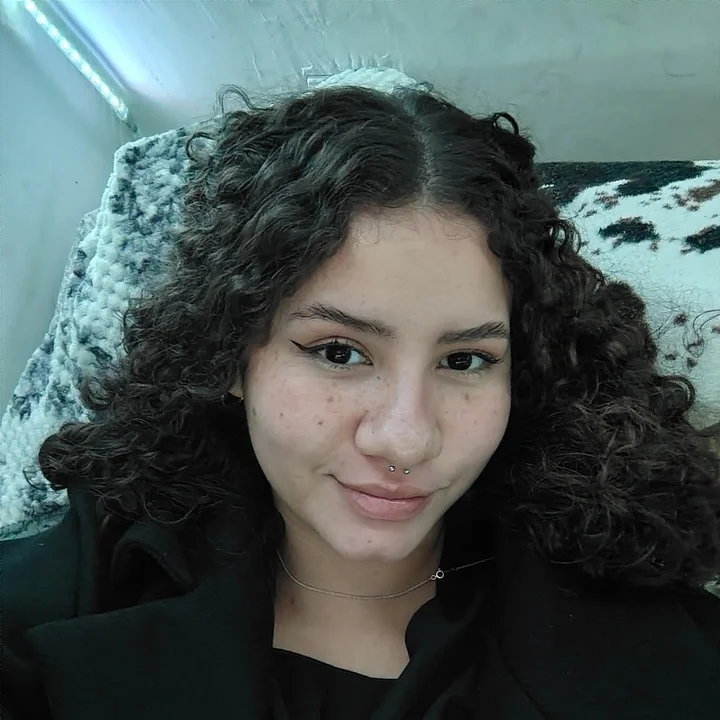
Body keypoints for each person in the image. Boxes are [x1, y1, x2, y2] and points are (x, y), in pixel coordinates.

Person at [2, 84, 719, 720]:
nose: (404, 439)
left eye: (465, 361)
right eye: (339, 352)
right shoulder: (88, 578)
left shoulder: (659, 649)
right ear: (230, 353)